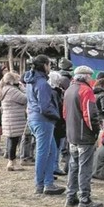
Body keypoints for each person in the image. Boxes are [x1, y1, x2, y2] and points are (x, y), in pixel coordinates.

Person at [63, 66, 103, 207]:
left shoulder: (69, 90)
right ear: (85, 76)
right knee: (84, 167)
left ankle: (70, 196)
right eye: (90, 76)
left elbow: (65, 113)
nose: (91, 79)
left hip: (72, 134)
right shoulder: (86, 91)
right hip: (84, 135)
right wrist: (97, 131)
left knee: (73, 166)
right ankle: (84, 199)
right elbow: (90, 115)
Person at [24, 55, 64, 195]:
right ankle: (40, 184)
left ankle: (48, 183)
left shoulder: (31, 81)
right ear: (44, 65)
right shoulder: (42, 84)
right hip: (43, 121)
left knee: (51, 151)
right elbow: (45, 107)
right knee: (43, 153)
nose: (50, 67)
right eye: (49, 65)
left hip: (34, 118)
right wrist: (57, 116)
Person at [0, 72, 27, 171]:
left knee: (11, 140)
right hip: (14, 119)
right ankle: (12, 162)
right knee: (13, 141)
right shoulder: (12, 90)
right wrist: (22, 88)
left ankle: (11, 161)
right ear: (12, 81)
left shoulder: (5, 89)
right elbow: (25, 99)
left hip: (9, 119)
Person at [48, 71, 67, 177]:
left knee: (56, 146)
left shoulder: (55, 92)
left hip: (57, 122)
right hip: (57, 123)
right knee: (55, 147)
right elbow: (58, 107)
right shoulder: (55, 93)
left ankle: (54, 167)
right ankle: (54, 167)